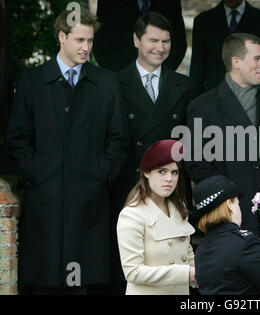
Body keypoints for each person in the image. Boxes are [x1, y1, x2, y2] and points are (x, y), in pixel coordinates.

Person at [6, 8, 128, 294]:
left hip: (90, 206)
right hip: (46, 205)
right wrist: (39, 175)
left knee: (82, 286)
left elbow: (118, 140)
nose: (86, 47)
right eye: (79, 40)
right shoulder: (33, 81)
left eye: (90, 40)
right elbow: (18, 139)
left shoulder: (106, 82)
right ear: (62, 36)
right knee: (44, 285)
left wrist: (100, 175)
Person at [110, 11, 193, 291]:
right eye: (153, 40)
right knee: (132, 266)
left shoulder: (184, 85)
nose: (160, 48)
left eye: (166, 41)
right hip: (128, 186)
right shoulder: (113, 83)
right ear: (136, 40)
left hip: (170, 190)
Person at [184, 33, 260, 238]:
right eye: (257, 59)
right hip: (226, 219)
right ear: (236, 62)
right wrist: (226, 199)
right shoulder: (202, 107)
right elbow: (196, 164)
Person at [116, 139, 197, 295]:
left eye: (174, 172)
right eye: (162, 171)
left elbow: (187, 255)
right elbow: (132, 272)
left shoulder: (179, 209)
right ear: (146, 173)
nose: (169, 179)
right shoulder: (132, 214)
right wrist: (184, 274)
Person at [190, 0, 260, 97]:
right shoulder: (203, 21)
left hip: (253, 94)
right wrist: (194, 100)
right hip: (214, 96)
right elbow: (197, 66)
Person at [93, 0, 187, 71]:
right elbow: (101, 42)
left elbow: (179, 43)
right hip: (119, 78)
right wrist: (122, 75)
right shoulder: (108, 3)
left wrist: (158, 74)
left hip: (160, 80)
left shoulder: (172, 3)